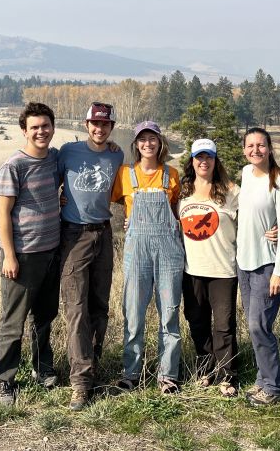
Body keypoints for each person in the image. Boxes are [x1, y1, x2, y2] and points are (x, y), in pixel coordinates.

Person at [0, 102, 62, 406]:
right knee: (13, 322)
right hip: (23, 256)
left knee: (45, 317)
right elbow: (3, 214)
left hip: (52, 251)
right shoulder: (14, 166)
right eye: (34, 127)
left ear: (52, 127)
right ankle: (4, 380)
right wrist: (9, 255)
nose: (40, 132)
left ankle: (42, 368)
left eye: (45, 126)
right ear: (24, 131)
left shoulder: (55, 159)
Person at [57, 102, 124, 411]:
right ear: (86, 125)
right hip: (74, 235)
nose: (100, 129)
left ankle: (92, 365)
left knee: (99, 306)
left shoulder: (116, 154)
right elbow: (48, 184)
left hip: (103, 232)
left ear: (111, 127)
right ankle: (81, 383)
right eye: (95, 124)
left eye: (106, 125)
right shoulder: (67, 153)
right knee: (76, 309)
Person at [110, 120, 185, 394]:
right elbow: (116, 202)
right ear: (136, 144)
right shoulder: (124, 175)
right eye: (142, 139)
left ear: (160, 142)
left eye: (152, 138)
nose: (148, 144)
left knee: (169, 313)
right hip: (136, 253)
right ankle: (131, 373)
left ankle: (168, 375)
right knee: (133, 313)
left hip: (169, 253)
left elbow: (178, 212)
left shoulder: (172, 176)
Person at [178, 139, 241, 397]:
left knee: (224, 325)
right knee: (197, 322)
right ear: (192, 161)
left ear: (216, 161)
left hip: (223, 269)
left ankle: (228, 375)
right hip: (192, 269)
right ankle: (206, 368)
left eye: (209, 157)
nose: (204, 161)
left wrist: (273, 230)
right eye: (199, 157)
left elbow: (250, 223)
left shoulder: (231, 191)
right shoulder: (182, 191)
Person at [237, 127, 280, 406]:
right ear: (244, 149)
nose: (255, 150)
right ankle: (263, 381)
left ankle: (275, 387)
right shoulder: (246, 174)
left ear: (270, 148)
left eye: (261, 145)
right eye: (250, 145)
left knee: (259, 326)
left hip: (267, 265)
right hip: (244, 264)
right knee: (254, 325)